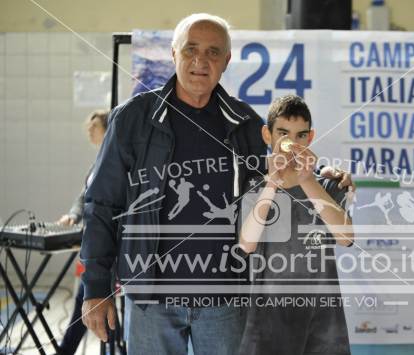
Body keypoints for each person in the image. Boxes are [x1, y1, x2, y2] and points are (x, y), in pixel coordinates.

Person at [80, 13, 353, 355]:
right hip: (151, 300)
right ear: (174, 53)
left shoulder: (245, 124)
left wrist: (328, 175)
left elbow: (284, 166)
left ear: (226, 60)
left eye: (212, 52)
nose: (200, 60)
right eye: (191, 49)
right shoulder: (134, 120)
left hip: (225, 302)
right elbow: (102, 205)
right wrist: (95, 288)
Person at [238, 95, 353, 355]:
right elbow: (246, 244)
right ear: (267, 135)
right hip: (266, 324)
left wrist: (306, 179)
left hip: (324, 324)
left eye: (301, 135)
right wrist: (272, 183)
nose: (292, 143)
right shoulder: (256, 186)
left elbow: (346, 237)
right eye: (283, 133)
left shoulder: (327, 185)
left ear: (310, 138)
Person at [56, 109, 109, 355]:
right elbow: (83, 196)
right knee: (85, 301)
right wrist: (73, 215)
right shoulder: (97, 162)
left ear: (107, 129)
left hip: (109, 246)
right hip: (93, 243)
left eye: (93, 126)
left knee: (88, 301)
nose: (89, 131)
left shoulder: (116, 160)